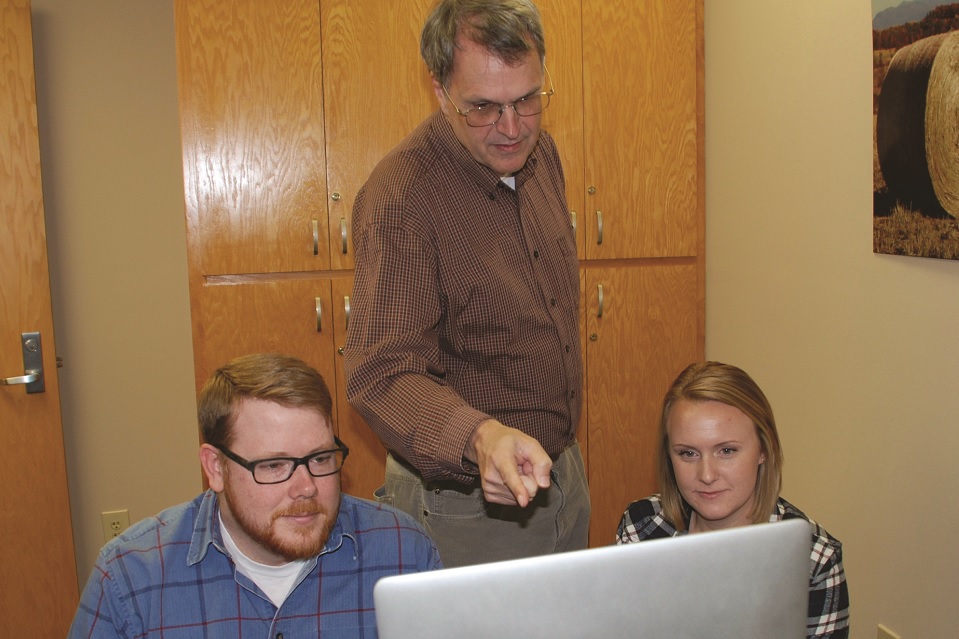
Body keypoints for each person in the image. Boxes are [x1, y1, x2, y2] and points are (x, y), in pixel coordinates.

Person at [344, 0, 589, 567]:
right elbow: (381, 373)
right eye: (483, 106)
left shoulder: (540, 153)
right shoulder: (403, 198)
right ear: (439, 89)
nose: (511, 128)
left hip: (561, 478)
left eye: (527, 99)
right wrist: (481, 437)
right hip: (465, 510)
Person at [69, 353, 441, 639]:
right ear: (215, 468)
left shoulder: (404, 553)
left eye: (321, 458)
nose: (307, 486)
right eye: (275, 465)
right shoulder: (130, 578)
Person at [616, 361, 850, 639]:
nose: (706, 475)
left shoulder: (814, 560)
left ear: (764, 449)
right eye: (688, 453)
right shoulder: (643, 528)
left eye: (726, 450)